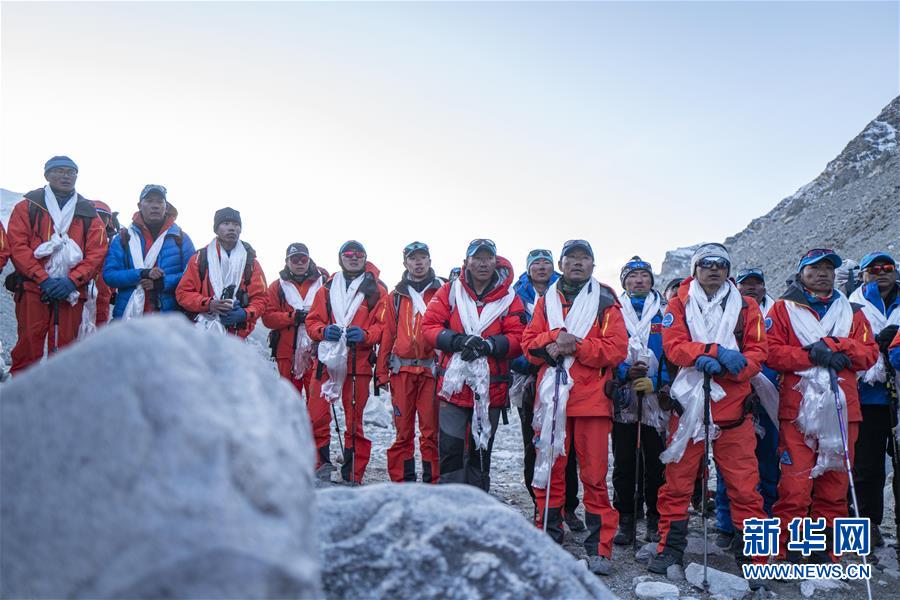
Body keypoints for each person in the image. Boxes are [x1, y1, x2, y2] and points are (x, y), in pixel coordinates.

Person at [649, 243, 769, 578]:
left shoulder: (747, 307)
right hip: (689, 407)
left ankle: (756, 558)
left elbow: (759, 352)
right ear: (695, 269)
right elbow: (673, 346)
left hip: (734, 410)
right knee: (677, 484)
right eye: (706, 263)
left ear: (728, 270)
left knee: (745, 487)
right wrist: (714, 352)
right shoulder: (678, 303)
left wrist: (732, 367)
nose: (714, 268)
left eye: (720, 263)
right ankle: (669, 548)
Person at [521, 239, 628, 575]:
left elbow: (616, 349)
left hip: (592, 401)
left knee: (594, 476)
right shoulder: (547, 300)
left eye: (584, 258)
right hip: (553, 399)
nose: (578, 263)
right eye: (571, 258)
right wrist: (554, 337)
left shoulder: (606, 300)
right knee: (550, 470)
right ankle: (548, 538)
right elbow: (528, 344)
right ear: (561, 265)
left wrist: (576, 345)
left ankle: (600, 547)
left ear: (593, 265)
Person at [767, 248, 878, 563]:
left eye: (828, 268)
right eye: (814, 268)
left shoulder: (853, 312)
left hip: (843, 408)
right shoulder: (782, 309)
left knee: (836, 482)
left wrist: (836, 346)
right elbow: (770, 352)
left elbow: (869, 353)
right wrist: (811, 355)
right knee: (795, 483)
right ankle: (790, 547)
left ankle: (828, 549)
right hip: (798, 410)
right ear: (801, 273)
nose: (822, 274)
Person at [422, 238, 526, 491]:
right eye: (477, 258)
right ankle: (451, 500)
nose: (483, 263)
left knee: (481, 451)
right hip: (454, 387)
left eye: (488, 258)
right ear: (466, 262)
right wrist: (457, 341)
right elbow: (429, 326)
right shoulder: (449, 292)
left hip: (491, 388)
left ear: (495, 261)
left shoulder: (509, 298)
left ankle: (477, 499)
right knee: (450, 449)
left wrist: (489, 345)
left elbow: (519, 336)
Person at [6, 156, 106, 373]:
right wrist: (42, 278)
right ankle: (24, 391)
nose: (65, 176)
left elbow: (97, 253)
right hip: (33, 288)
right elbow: (17, 245)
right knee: (28, 343)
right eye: (59, 171)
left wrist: (71, 281)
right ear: (47, 175)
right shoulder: (27, 207)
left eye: (71, 172)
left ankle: (60, 392)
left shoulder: (89, 213)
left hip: (71, 291)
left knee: (66, 346)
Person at [512, 249, 585, 531]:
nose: (541, 267)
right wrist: (537, 358)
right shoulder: (516, 296)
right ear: (528, 268)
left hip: (564, 375)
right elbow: (517, 338)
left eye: (546, 262)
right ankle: (539, 503)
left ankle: (568, 506)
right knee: (535, 442)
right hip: (528, 377)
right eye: (536, 263)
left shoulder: (568, 292)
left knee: (567, 446)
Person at [306, 241, 387, 483]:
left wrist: (366, 335)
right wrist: (323, 331)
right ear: (340, 258)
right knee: (316, 416)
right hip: (327, 360)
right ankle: (320, 464)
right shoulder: (327, 289)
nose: (353, 257)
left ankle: (353, 473)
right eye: (348, 254)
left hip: (357, 361)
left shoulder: (376, 290)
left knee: (354, 421)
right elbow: (312, 321)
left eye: (359, 254)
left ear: (365, 257)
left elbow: (383, 326)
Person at [713, 267, 780, 549]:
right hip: (734, 395)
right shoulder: (727, 311)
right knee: (729, 465)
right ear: (737, 286)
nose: (751, 287)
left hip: (770, 398)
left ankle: (766, 519)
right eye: (746, 283)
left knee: (768, 461)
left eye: (757, 283)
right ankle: (726, 524)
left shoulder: (777, 313)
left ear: (764, 287)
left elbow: (772, 351)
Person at [611, 257, 670, 546]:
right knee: (624, 460)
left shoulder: (665, 312)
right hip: (624, 395)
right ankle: (626, 518)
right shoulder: (613, 311)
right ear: (624, 282)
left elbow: (673, 352)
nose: (639, 280)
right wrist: (624, 373)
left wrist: (658, 381)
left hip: (656, 397)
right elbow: (608, 347)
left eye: (644, 276)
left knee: (656, 459)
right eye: (632, 276)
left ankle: (656, 517)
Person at [376, 241, 444, 483]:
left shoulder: (443, 291)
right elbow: (388, 334)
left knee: (430, 432)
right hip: (402, 370)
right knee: (403, 432)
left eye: (422, 257)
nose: (418, 262)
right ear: (405, 263)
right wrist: (381, 372)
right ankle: (402, 482)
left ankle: (432, 481)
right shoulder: (395, 296)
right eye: (413, 258)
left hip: (431, 371)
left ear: (429, 261)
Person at [848, 252, 899, 547]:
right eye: (874, 268)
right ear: (863, 275)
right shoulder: (851, 306)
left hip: (897, 398)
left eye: (887, 267)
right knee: (867, 466)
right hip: (866, 396)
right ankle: (867, 524)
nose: (881, 272)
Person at [104, 185, 195, 320]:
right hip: (127, 317)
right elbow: (109, 276)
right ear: (140, 206)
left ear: (166, 207)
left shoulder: (180, 238)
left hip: (169, 319)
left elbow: (192, 276)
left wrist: (162, 283)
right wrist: (142, 273)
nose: (155, 206)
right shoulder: (123, 238)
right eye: (149, 201)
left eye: (160, 201)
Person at [175, 207, 266, 337]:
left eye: (236, 224)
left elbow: (261, 298)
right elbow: (183, 293)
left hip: (237, 336)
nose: (232, 228)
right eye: (226, 223)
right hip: (201, 334)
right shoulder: (199, 259)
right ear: (216, 229)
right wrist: (208, 304)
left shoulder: (251, 263)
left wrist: (245, 313)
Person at [261, 243, 328, 399]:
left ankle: (314, 418)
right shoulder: (276, 286)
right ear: (287, 261)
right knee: (289, 398)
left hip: (317, 350)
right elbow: (268, 318)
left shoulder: (324, 283)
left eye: (303, 259)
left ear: (309, 260)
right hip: (287, 352)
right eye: (294, 259)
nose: (299, 263)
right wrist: (293, 317)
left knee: (317, 398)